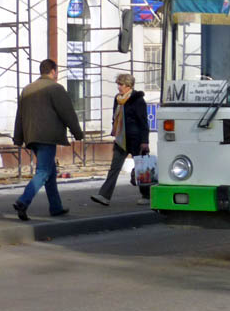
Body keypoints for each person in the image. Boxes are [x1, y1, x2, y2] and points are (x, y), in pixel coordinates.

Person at [12, 59, 84, 221]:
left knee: (50, 172)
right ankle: (23, 201)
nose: (57, 75)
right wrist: (77, 133)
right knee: (43, 172)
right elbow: (67, 113)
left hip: (31, 137)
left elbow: (20, 115)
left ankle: (56, 207)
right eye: (56, 72)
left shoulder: (27, 89)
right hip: (47, 137)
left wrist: (18, 137)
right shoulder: (55, 88)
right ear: (53, 71)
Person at [92, 74, 150, 206]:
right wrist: (115, 127)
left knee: (141, 168)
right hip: (121, 139)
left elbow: (143, 122)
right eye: (118, 84)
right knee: (114, 168)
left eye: (121, 84)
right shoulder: (118, 99)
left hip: (136, 139)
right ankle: (104, 195)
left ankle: (147, 195)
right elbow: (115, 116)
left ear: (128, 86)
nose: (118, 87)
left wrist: (144, 141)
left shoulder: (138, 100)